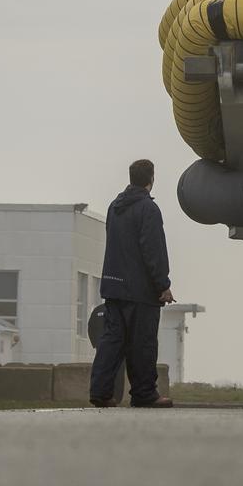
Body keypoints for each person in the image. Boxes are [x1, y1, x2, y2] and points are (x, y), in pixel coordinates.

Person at [90, 158, 175, 408]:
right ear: (151, 179)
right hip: (140, 292)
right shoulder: (148, 209)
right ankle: (144, 393)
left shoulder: (114, 207)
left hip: (114, 287)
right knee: (143, 344)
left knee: (112, 342)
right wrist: (163, 285)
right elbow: (153, 250)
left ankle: (100, 392)